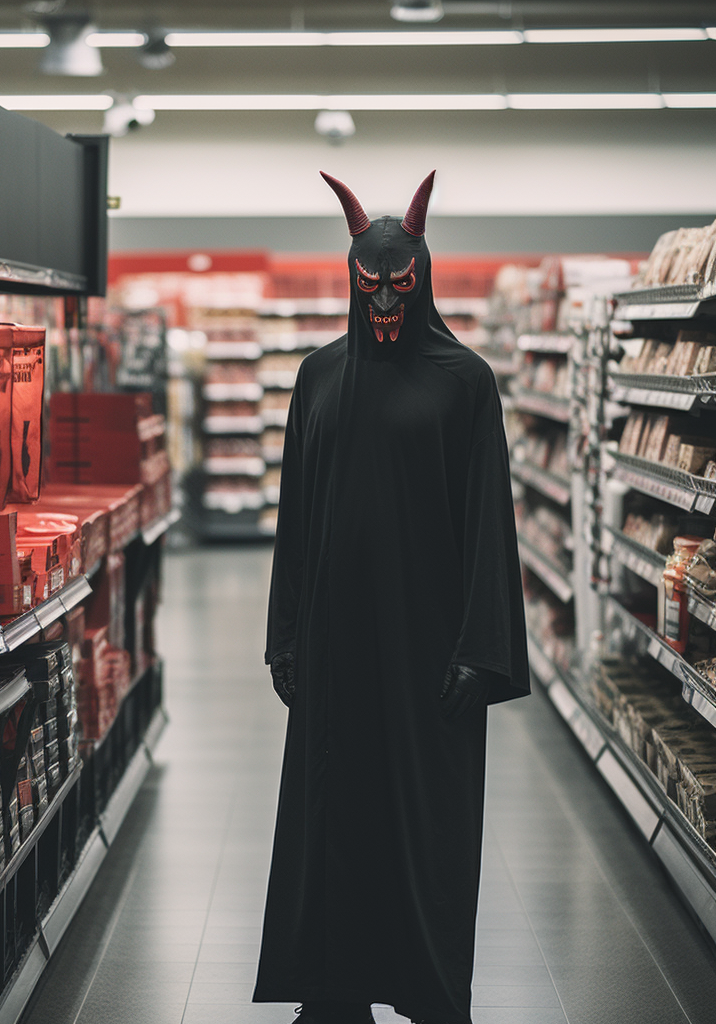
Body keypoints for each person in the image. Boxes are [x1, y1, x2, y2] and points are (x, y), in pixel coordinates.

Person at [253, 170, 531, 1024]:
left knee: (425, 828)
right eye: (368, 284)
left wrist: (483, 651)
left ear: (423, 279)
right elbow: (297, 513)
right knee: (337, 817)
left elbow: (489, 522)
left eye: (399, 285)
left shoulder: (464, 382)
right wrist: (286, 632)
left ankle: (427, 989)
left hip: (428, 656)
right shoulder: (318, 378)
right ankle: (334, 992)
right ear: (349, 280)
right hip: (337, 650)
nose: (382, 301)